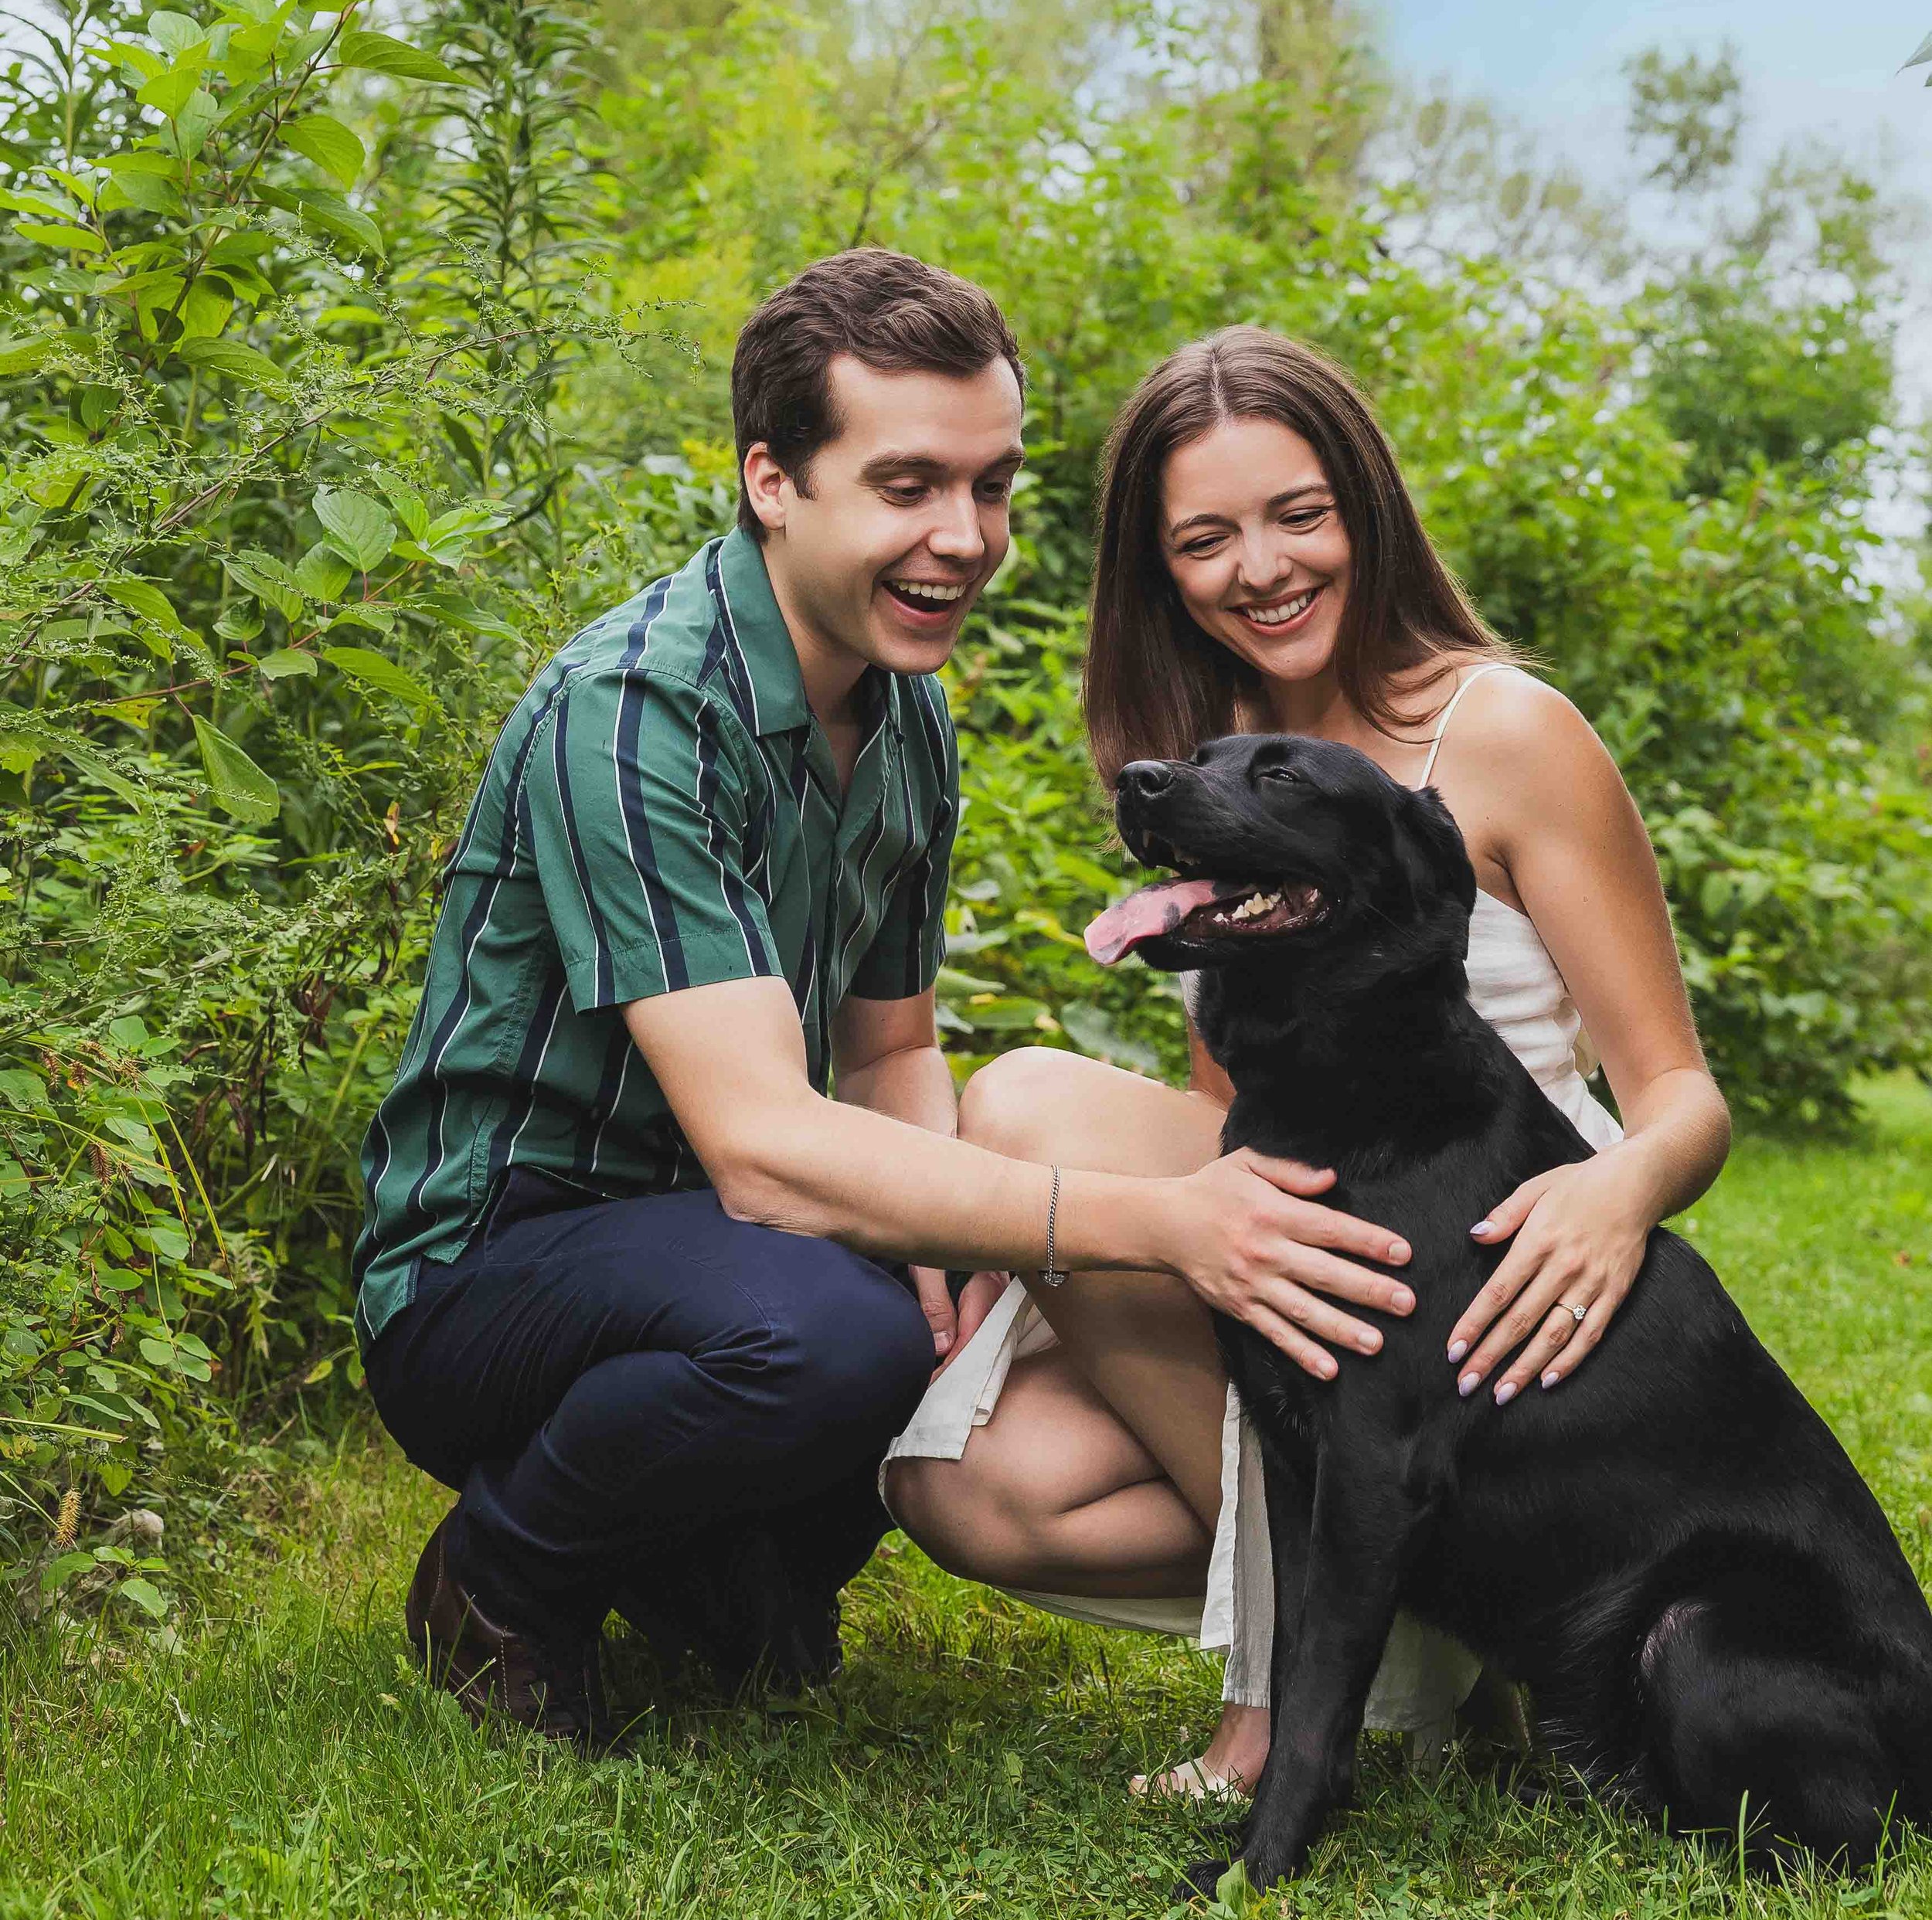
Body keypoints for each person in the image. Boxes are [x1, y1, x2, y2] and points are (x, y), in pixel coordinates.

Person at [355, 262, 1417, 1749]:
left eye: (992, 485)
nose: (963, 538)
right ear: (772, 479)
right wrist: (1145, 1222)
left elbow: (893, 1047)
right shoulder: (641, 708)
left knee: (924, 1318)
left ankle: (697, 1554)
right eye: (908, 483)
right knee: (836, 1338)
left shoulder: (906, 711)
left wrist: (958, 1258)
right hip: (498, 1258)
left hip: (707, 1238)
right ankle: (501, 1574)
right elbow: (768, 1149)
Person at [885, 325, 1732, 1797]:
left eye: (1298, 514)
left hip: (1491, 1246)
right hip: (1332, 1227)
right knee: (977, 1484)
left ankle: (1292, 1698)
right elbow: (1241, 1129)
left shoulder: (1507, 730)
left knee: (1020, 1098)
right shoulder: (1214, 764)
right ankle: (1425, 1630)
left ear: (1366, 507)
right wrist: (1047, 1246)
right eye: (1203, 537)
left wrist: (1618, 1193)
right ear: (1160, 567)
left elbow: (1684, 1094)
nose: (1258, 567)